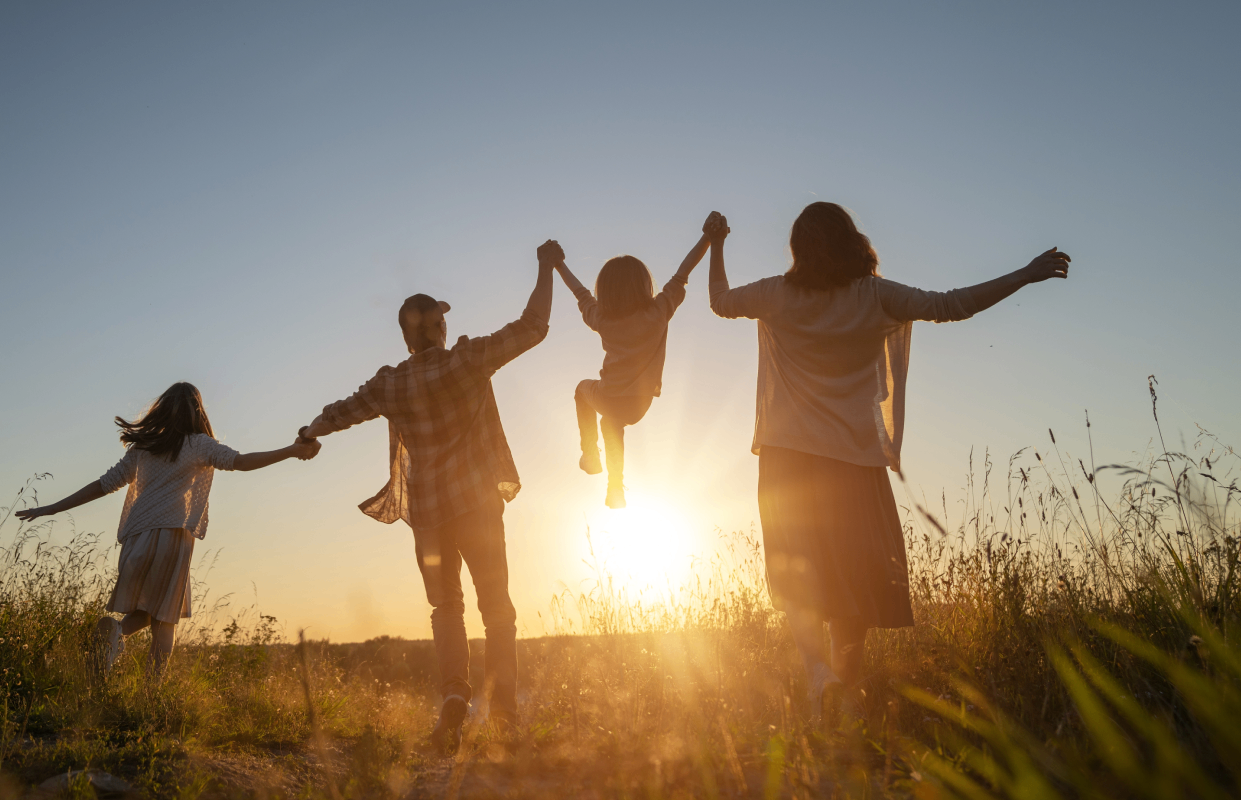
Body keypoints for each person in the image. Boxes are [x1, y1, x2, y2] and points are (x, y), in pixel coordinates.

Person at [706, 203, 1071, 719]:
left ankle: (819, 679)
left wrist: (717, 243)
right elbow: (953, 305)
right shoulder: (875, 297)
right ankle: (845, 689)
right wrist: (1025, 275)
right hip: (852, 462)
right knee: (853, 576)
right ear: (852, 239)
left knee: (801, 576)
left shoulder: (777, 294)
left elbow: (719, 301)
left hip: (786, 460)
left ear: (799, 249)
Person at [298, 241, 556, 754]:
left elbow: (341, 412)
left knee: (446, 610)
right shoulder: (467, 359)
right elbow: (533, 326)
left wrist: (309, 432)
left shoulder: (391, 383)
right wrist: (546, 268)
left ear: (405, 337)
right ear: (437, 328)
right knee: (497, 609)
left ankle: (454, 701)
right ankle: (503, 713)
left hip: (429, 517)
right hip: (478, 507)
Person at [15, 381, 319, 678]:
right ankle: (150, 698)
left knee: (151, 607)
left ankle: (116, 633)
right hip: (172, 535)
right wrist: (292, 450)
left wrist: (51, 508)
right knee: (165, 619)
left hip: (135, 538)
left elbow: (103, 485)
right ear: (197, 412)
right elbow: (241, 462)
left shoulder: (142, 448)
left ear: (161, 410)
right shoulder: (199, 445)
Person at [547, 213, 718, 508]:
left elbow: (580, 292)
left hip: (610, 394)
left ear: (605, 291)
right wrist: (707, 237)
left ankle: (590, 455)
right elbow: (683, 272)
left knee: (582, 391)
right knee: (611, 422)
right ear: (644, 285)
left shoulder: (601, 318)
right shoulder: (659, 311)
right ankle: (615, 488)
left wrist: (558, 264)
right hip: (639, 404)